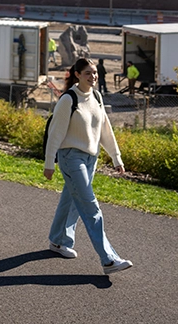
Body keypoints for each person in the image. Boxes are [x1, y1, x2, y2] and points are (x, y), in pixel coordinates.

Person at [43, 57, 132, 275]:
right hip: (71, 157)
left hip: (91, 158)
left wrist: (116, 157)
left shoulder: (97, 96)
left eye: (95, 73)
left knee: (71, 201)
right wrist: (49, 163)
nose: (93, 77)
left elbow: (105, 131)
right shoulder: (68, 99)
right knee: (90, 207)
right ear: (77, 75)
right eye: (88, 73)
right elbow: (55, 134)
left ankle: (58, 241)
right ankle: (108, 259)